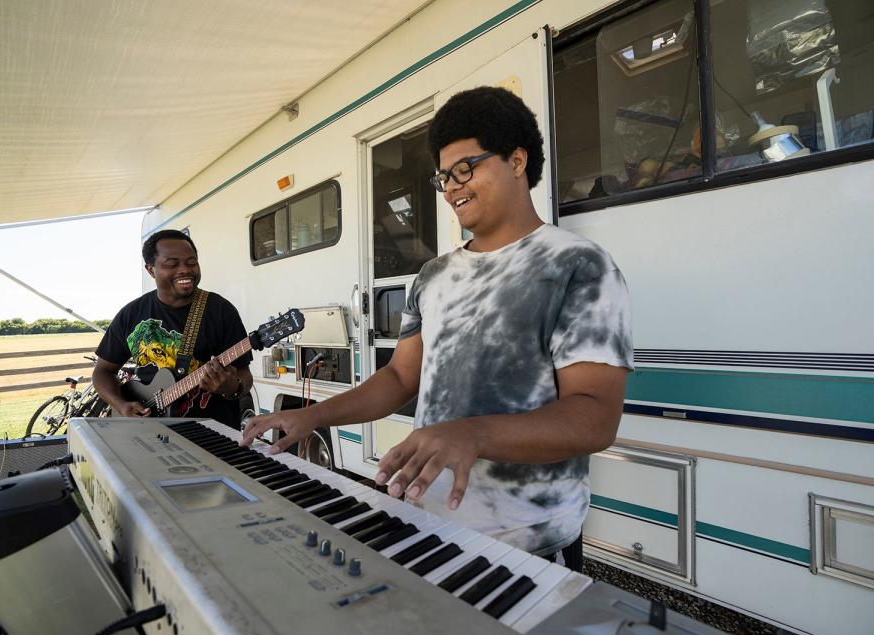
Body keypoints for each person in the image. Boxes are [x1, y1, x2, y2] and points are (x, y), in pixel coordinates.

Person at [242, 86, 633, 558]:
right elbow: (401, 376)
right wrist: (312, 415)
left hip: (528, 543)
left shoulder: (578, 266)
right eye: (443, 177)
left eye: (465, 169)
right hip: (429, 524)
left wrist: (472, 433)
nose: (451, 188)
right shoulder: (433, 276)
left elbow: (595, 417)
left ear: (516, 160)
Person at [93, 229, 253, 428]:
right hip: (148, 434)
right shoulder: (131, 314)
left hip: (213, 433)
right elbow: (102, 372)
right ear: (151, 270)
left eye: (191, 262)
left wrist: (232, 388)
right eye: (172, 264)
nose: (185, 269)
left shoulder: (221, 310)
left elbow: (244, 374)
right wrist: (121, 405)